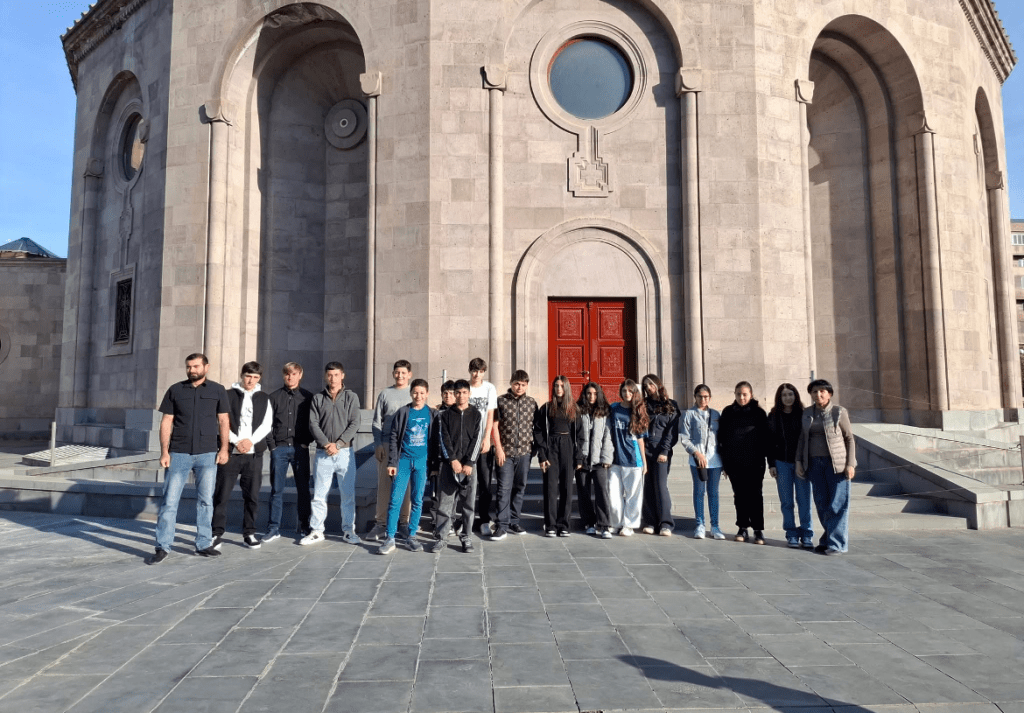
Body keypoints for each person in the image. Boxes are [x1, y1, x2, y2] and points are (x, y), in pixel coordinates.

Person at [149, 353, 230, 564]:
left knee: (205, 501)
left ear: (206, 367)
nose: (191, 370)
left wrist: (224, 449)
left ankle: (203, 544)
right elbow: (166, 421)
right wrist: (164, 451)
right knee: (169, 501)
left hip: (207, 453)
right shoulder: (175, 390)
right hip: (179, 453)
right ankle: (162, 546)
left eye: (195, 366)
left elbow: (223, 421)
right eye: (188, 367)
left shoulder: (218, 390)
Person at [211, 361, 273, 550]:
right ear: (242, 375)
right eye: (248, 376)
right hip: (231, 453)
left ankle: (249, 533)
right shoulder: (228, 395)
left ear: (259, 378)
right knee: (221, 495)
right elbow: (221, 421)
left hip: (253, 455)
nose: (251, 381)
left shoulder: (264, 398)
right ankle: (215, 533)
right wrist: (236, 441)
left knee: (252, 496)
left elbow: (266, 424)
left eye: (255, 377)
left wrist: (250, 441)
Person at [302, 362, 361, 546]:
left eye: (336, 375)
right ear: (325, 376)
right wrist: (327, 444)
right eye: (329, 375)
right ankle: (317, 531)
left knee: (347, 495)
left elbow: (355, 423)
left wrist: (339, 443)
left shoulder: (351, 397)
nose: (333, 378)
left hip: (345, 453)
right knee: (319, 495)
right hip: (323, 453)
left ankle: (348, 531)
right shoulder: (318, 398)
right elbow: (313, 424)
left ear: (342, 375)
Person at [796, 379, 856, 555]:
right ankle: (828, 539)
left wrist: (850, 464)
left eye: (822, 391)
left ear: (829, 394)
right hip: (815, 464)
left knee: (837, 504)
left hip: (836, 465)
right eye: (814, 391)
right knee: (821, 503)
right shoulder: (807, 413)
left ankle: (837, 544)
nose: (818, 394)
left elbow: (849, 438)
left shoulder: (839, 412)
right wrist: (799, 461)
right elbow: (802, 439)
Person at [377, 379, 435, 555]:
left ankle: (412, 536)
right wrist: (392, 462)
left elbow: (433, 440)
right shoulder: (403, 412)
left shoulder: (431, 414)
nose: (418, 396)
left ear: (427, 394)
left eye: (422, 393)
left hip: (421, 462)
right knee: (396, 499)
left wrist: (433, 464)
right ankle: (390, 537)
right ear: (411, 393)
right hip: (403, 461)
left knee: (417, 500)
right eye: (415, 392)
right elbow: (394, 437)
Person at [428, 379, 482, 553]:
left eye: (464, 392)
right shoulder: (444, 415)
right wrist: (452, 460)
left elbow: (477, 439)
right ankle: (441, 538)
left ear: (469, 394)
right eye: (457, 393)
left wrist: (469, 462)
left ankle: (466, 537)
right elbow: (443, 439)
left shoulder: (476, 414)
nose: (461, 396)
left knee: (468, 505)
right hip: (449, 466)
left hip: (469, 468)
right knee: (445, 504)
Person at [265, 362, 314, 541]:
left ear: (300, 375)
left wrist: (306, 442)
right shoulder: (274, 397)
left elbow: (314, 423)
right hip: (279, 449)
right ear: (283, 375)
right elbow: (266, 424)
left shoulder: (308, 397)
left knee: (303, 489)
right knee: (276, 489)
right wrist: (272, 446)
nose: (290, 377)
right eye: (287, 374)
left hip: (300, 448)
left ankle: (304, 525)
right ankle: (273, 528)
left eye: (294, 374)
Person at [718, 381, 772, 545]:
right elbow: (722, 438)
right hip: (734, 462)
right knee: (739, 495)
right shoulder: (728, 412)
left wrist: (770, 462)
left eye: (745, 394)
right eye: (738, 394)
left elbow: (767, 438)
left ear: (751, 395)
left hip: (755, 462)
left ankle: (758, 529)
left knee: (755, 495)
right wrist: (725, 464)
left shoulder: (759, 413)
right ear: (734, 395)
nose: (741, 397)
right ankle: (742, 527)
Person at [368, 360, 413, 541]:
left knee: (405, 486)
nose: (400, 376)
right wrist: (378, 444)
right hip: (386, 444)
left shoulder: (413, 393)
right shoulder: (385, 394)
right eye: (397, 372)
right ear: (393, 374)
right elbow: (377, 422)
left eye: (403, 373)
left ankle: (403, 523)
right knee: (384, 486)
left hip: (407, 446)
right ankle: (381, 524)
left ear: (409, 375)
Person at [491, 370, 538, 539]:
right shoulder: (501, 401)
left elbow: (536, 427)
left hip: (524, 453)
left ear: (527, 385)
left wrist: (534, 448)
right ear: (511, 383)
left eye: (523, 384)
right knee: (504, 488)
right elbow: (494, 426)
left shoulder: (531, 403)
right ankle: (502, 525)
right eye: (517, 384)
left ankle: (514, 521)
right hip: (506, 453)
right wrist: (498, 448)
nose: (519, 387)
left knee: (519, 488)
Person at [534, 375, 581, 537]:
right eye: (556, 386)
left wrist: (578, 457)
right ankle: (551, 525)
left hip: (568, 446)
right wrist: (542, 455)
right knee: (550, 488)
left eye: (562, 386)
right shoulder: (546, 408)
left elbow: (580, 435)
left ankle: (564, 525)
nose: (559, 389)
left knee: (567, 488)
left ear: (566, 388)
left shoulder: (574, 409)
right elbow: (538, 432)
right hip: (551, 447)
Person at [768, 383, 813, 548]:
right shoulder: (773, 416)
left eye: (790, 394)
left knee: (804, 500)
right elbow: (769, 442)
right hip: (782, 463)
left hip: (801, 464)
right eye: (784, 395)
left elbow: (808, 440)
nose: (788, 398)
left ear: (796, 395)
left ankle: (807, 533)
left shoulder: (804, 414)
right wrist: (771, 464)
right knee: (786, 502)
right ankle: (791, 533)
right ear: (779, 398)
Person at [678, 384, 726, 540]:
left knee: (714, 493)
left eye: (706, 397)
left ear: (710, 398)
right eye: (700, 396)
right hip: (697, 460)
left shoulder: (716, 414)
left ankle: (715, 526)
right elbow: (685, 438)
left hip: (715, 460)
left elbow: (722, 438)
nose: (703, 399)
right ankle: (700, 525)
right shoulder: (689, 414)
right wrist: (696, 453)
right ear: (695, 397)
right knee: (699, 492)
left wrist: (725, 461)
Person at [608, 379, 649, 537]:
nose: (627, 394)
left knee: (633, 495)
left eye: (630, 391)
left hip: (633, 460)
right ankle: (616, 523)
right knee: (613, 494)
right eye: (624, 391)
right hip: (615, 459)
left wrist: (644, 463)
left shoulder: (637, 411)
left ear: (634, 393)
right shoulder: (614, 408)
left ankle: (629, 525)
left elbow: (640, 440)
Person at [640, 374, 679, 537]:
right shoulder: (643, 405)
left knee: (660, 486)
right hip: (646, 450)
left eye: (651, 384)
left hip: (661, 452)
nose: (648, 388)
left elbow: (672, 432)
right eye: (645, 386)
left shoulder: (671, 405)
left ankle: (665, 523)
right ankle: (650, 522)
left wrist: (664, 451)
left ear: (657, 384)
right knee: (648, 486)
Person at [576, 382, 613, 538]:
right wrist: (577, 457)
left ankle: (604, 525)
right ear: (584, 395)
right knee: (583, 492)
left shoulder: (605, 412)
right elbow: (575, 436)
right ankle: (589, 523)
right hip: (582, 459)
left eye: (595, 394)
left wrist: (606, 457)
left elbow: (608, 436)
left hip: (599, 460)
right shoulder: (578, 410)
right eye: (589, 393)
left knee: (602, 491)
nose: (592, 397)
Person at [467, 358, 498, 535]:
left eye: (480, 371)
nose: (476, 374)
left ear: (484, 372)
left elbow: (490, 414)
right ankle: (466, 519)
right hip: (467, 443)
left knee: (485, 483)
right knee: (467, 483)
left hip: (483, 442)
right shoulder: (465, 387)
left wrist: (487, 438)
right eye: (474, 370)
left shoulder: (489, 388)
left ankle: (484, 519)